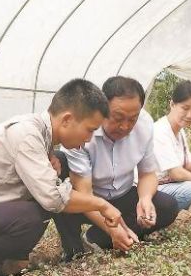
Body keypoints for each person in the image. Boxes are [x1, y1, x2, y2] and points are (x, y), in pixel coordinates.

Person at [0, 79, 125, 275]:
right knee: (31, 217)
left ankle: (30, 255)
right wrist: (103, 205)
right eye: (89, 129)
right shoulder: (27, 134)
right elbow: (53, 198)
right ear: (67, 119)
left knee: (59, 165)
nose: (89, 139)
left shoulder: (41, 133)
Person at [53, 76, 178, 260]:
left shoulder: (144, 124)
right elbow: (85, 194)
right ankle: (73, 246)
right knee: (60, 165)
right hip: (87, 201)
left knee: (167, 206)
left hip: (122, 195)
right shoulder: (83, 130)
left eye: (132, 119)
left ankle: (95, 237)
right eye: (118, 118)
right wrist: (111, 226)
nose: (125, 126)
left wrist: (145, 198)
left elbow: (147, 174)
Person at [153, 81, 191, 211]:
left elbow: (188, 163)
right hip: (149, 188)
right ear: (172, 104)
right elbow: (176, 173)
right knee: (189, 191)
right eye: (185, 108)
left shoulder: (179, 132)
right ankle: (157, 219)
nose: (190, 115)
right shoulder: (160, 131)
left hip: (166, 185)